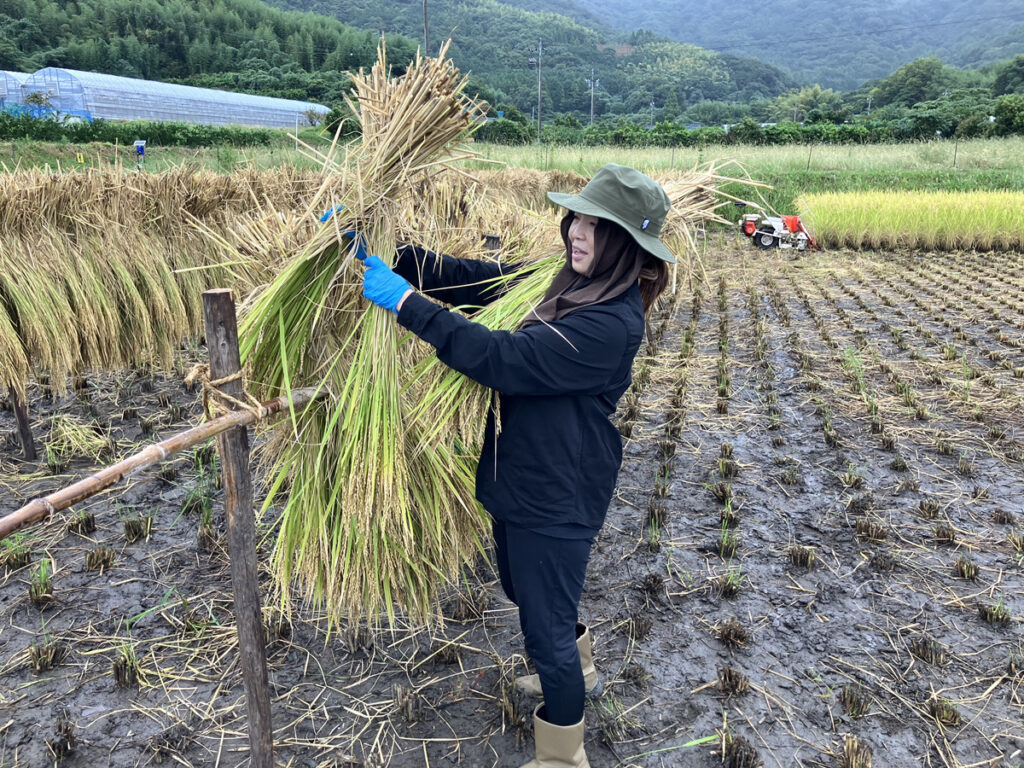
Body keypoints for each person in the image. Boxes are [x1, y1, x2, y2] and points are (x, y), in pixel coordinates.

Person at [360, 164, 674, 768]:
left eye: (596, 224)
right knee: (523, 590)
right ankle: (575, 665)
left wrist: (406, 305)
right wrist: (404, 260)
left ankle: (563, 752)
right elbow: (485, 284)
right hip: (524, 472)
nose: (577, 230)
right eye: (577, 217)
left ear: (626, 245)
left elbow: (502, 358)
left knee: (543, 628)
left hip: (558, 489)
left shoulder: (611, 323)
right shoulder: (568, 285)